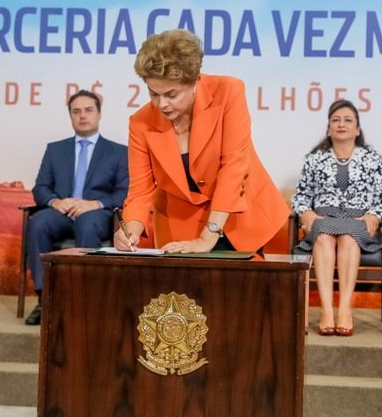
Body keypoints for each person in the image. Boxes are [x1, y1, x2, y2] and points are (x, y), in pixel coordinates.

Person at [114, 29, 289, 254]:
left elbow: (234, 167)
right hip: (180, 229)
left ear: (195, 81)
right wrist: (130, 230)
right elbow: (140, 191)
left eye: (171, 94)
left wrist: (208, 237)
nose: (161, 104)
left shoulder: (228, 92)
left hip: (240, 219)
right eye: (153, 94)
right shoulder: (140, 123)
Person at [25, 90, 129, 325]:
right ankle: (45, 300)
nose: (83, 116)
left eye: (88, 110)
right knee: (39, 221)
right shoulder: (55, 150)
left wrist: (95, 204)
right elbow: (40, 188)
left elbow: (124, 193)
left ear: (99, 114)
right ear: (71, 116)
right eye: (76, 111)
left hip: (97, 214)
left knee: (88, 221)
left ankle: (84, 298)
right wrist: (56, 202)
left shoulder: (118, 152)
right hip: (62, 213)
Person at [291, 99, 382, 336]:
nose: (341, 124)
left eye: (348, 120)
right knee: (324, 236)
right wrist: (305, 211)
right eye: (335, 120)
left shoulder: (373, 159)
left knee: (348, 237)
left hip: (359, 221)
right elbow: (301, 196)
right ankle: (327, 311)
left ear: (357, 129)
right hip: (323, 219)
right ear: (328, 128)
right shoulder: (314, 158)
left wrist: (374, 215)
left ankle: (345, 309)